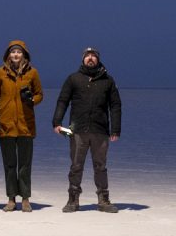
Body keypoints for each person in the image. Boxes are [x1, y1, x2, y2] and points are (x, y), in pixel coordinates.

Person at [52, 46, 123, 212]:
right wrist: (57, 121)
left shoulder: (108, 81)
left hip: (100, 130)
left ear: (98, 59)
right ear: (83, 59)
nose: (90, 58)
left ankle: (103, 199)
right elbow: (63, 100)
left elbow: (115, 105)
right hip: (77, 130)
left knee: (100, 166)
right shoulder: (74, 79)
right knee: (76, 165)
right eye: (87, 56)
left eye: (93, 56)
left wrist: (116, 128)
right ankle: (73, 199)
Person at [0, 39, 43, 211]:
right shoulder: (0, 73)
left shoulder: (32, 73)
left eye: (19, 52)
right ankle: (11, 198)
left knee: (25, 164)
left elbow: (39, 94)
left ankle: (25, 198)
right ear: (8, 55)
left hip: (26, 125)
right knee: (10, 164)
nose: (16, 55)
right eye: (13, 52)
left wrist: (32, 100)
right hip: (6, 125)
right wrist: (0, 112)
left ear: (24, 54)